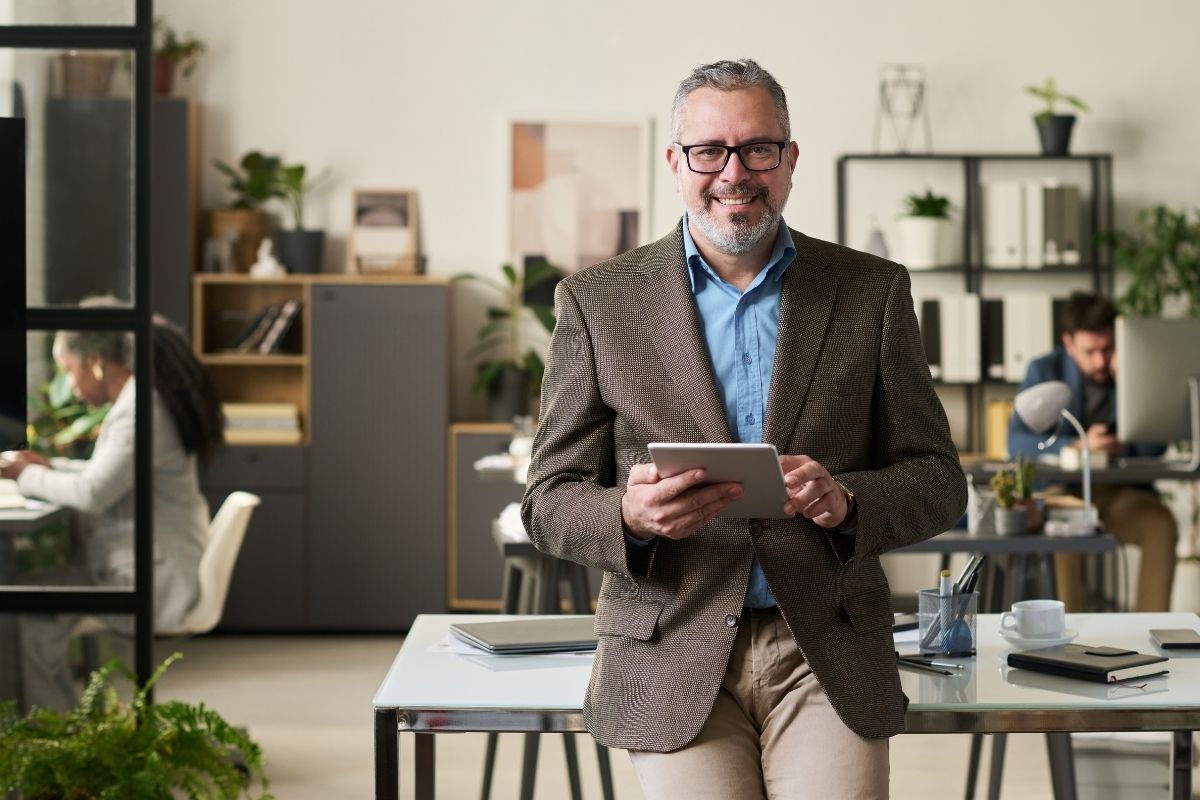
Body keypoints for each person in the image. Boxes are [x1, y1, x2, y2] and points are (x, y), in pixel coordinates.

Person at [521, 59, 966, 799]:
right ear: (675, 163)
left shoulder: (872, 292)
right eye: (709, 152)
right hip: (670, 646)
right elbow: (547, 499)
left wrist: (848, 503)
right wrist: (627, 516)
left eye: (758, 149)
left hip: (824, 647)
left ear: (790, 161)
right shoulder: (596, 302)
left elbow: (939, 478)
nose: (734, 173)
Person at [0, 310, 224, 708]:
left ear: (96, 363)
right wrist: (49, 468)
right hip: (149, 561)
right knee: (35, 598)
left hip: (151, 576)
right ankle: (72, 730)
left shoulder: (141, 410)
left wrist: (21, 474)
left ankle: (61, 743)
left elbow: (93, 493)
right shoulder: (144, 399)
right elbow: (109, 475)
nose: (69, 386)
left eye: (69, 370)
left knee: (29, 619)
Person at [1007, 291, 1178, 612]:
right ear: (1069, 343)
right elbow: (1016, 442)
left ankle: (1148, 631)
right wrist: (1075, 447)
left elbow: (1155, 447)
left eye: (1108, 348)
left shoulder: (1132, 371)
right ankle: (1067, 635)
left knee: (1161, 523)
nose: (1101, 361)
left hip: (1121, 493)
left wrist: (1128, 383)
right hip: (1066, 493)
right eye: (1090, 351)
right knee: (1062, 529)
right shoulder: (1044, 370)